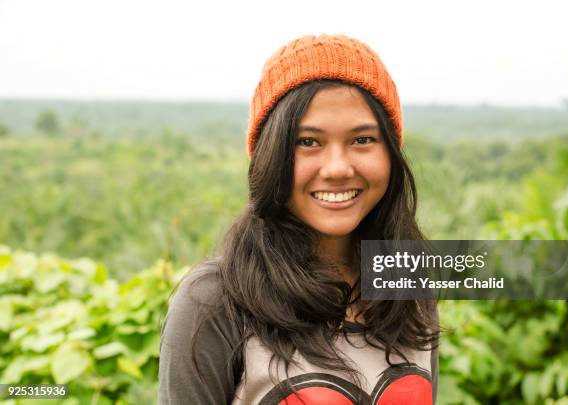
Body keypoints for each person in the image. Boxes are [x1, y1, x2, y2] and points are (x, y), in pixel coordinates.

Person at [158, 33, 440, 405]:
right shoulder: (214, 301)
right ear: (269, 157)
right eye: (308, 142)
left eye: (362, 140)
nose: (338, 168)